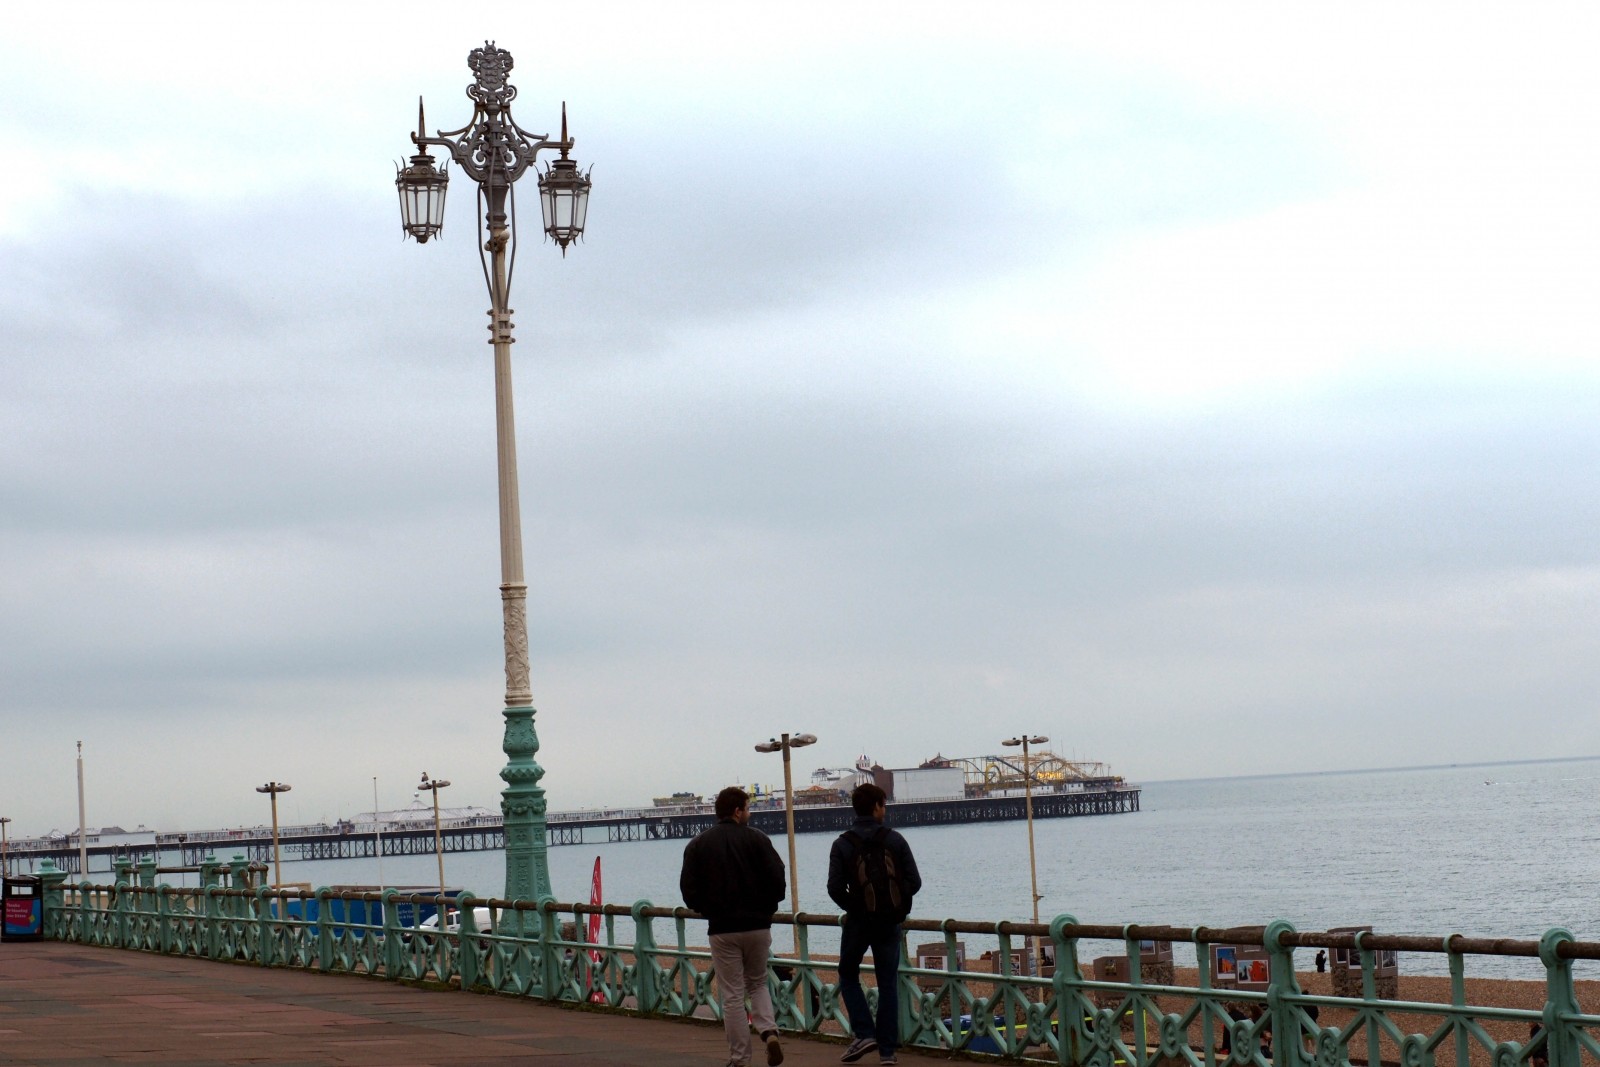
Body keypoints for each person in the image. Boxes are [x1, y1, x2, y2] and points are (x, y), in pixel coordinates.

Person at [680, 786, 788, 1067]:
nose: (749, 814)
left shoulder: (698, 844)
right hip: (758, 926)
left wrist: (708, 908)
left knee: (732, 994)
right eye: (748, 809)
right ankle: (768, 1030)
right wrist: (767, 909)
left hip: (722, 929)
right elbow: (778, 883)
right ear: (737, 811)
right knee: (758, 982)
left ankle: (740, 1058)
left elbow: (689, 891)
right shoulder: (759, 840)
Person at [827, 783, 922, 1066]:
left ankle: (865, 1033)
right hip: (889, 923)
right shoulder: (894, 840)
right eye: (884, 805)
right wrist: (896, 904)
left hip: (858, 922)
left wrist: (855, 907)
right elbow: (914, 882)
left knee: (847, 974)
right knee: (887, 983)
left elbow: (834, 888)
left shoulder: (842, 843)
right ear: (878, 807)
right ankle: (887, 1053)